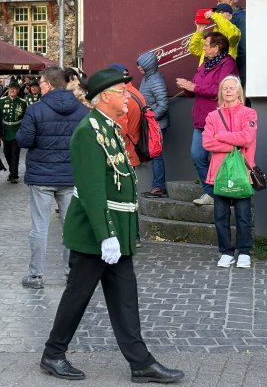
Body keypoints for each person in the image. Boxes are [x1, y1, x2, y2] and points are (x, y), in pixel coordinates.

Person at [40, 68, 184, 384]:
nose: (127, 96)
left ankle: (141, 363)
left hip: (116, 231)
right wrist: (107, 236)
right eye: (121, 91)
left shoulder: (110, 128)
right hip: (95, 234)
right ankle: (53, 353)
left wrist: (121, 233)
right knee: (77, 295)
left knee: (125, 298)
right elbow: (92, 189)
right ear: (105, 96)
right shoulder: (88, 131)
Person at [17, 66, 88, 290]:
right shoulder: (81, 110)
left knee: (39, 226)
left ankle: (36, 275)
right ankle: (72, 273)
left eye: (40, 83)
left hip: (41, 178)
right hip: (70, 176)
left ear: (48, 84)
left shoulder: (36, 110)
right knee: (71, 227)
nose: (39, 87)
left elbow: (24, 140)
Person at [176, 32, 238, 206]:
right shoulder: (205, 64)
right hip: (201, 119)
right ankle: (210, 192)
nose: (203, 48)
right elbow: (196, 87)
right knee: (197, 155)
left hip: (220, 120)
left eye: (206, 45)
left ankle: (227, 192)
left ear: (216, 48)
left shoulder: (228, 64)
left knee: (223, 159)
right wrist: (187, 87)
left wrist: (194, 86)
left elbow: (220, 89)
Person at [202, 76, 257, 268]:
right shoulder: (212, 116)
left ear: (239, 91)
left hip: (242, 172)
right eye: (224, 88)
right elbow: (207, 142)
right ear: (221, 92)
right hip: (219, 173)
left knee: (243, 215)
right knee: (220, 216)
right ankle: (225, 252)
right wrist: (234, 145)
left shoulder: (249, 113)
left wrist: (222, 136)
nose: (228, 91)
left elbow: (247, 138)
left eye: (232, 87)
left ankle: (244, 252)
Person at [136, 51, 170, 198]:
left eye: (141, 65)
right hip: (151, 124)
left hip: (157, 125)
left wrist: (150, 118)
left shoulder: (155, 80)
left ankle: (158, 187)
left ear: (148, 65)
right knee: (154, 154)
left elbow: (163, 104)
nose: (138, 68)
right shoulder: (147, 78)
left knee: (156, 155)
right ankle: (157, 185)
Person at [0, 78, 27, 183]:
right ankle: (12, 170)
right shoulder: (2, 101)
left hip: (16, 130)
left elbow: (25, 118)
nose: (12, 91)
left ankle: (14, 174)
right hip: (5, 130)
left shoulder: (23, 103)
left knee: (15, 153)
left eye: (15, 89)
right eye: (11, 89)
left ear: (18, 90)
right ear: (8, 90)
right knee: (6, 152)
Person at [217, 0, 246, 86]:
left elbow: (243, 48)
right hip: (225, 68)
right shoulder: (224, 19)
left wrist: (239, 72)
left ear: (230, 2)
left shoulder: (241, 18)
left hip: (236, 70)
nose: (217, 4)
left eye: (220, 1)